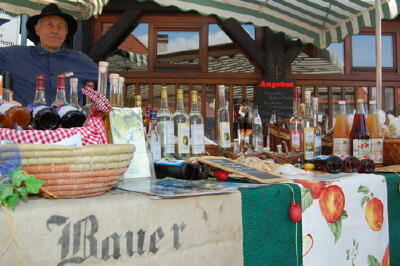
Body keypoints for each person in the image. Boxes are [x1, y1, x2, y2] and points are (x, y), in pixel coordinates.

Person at [0, 3, 98, 106]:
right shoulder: (14, 55)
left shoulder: (81, 60)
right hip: (25, 120)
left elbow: (106, 87)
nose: (55, 30)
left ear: (66, 32)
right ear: (37, 29)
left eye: (60, 26)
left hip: (70, 120)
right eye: (49, 25)